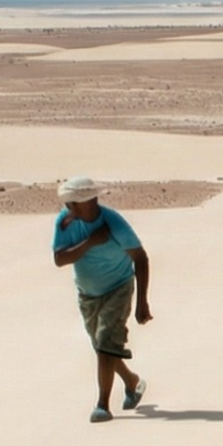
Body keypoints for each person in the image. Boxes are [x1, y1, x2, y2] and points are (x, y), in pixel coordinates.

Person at [52, 176, 152, 422]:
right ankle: (132, 382)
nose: (69, 207)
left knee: (106, 341)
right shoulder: (65, 222)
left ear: (90, 201)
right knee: (102, 347)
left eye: (73, 202)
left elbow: (140, 258)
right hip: (87, 294)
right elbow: (59, 259)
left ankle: (103, 405)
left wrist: (141, 302)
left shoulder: (114, 222)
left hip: (118, 287)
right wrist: (91, 242)